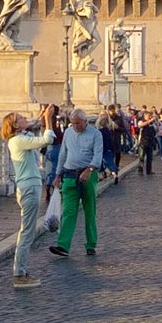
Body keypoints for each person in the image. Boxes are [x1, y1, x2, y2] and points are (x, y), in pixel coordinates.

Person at [4, 112, 52, 289]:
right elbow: (47, 140)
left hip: (30, 186)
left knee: (28, 231)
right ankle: (19, 274)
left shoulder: (23, 137)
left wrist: (38, 123)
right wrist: (48, 120)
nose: (25, 118)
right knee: (26, 232)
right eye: (21, 118)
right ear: (15, 126)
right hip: (29, 188)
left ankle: (21, 271)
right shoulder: (17, 141)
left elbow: (34, 138)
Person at [50, 109, 105, 257]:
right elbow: (63, 153)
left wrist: (89, 169)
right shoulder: (68, 132)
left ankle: (91, 244)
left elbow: (98, 155)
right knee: (68, 211)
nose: (75, 126)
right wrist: (57, 174)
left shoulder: (95, 134)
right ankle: (63, 245)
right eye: (73, 123)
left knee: (89, 210)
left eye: (78, 123)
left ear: (85, 121)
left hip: (88, 174)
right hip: (69, 174)